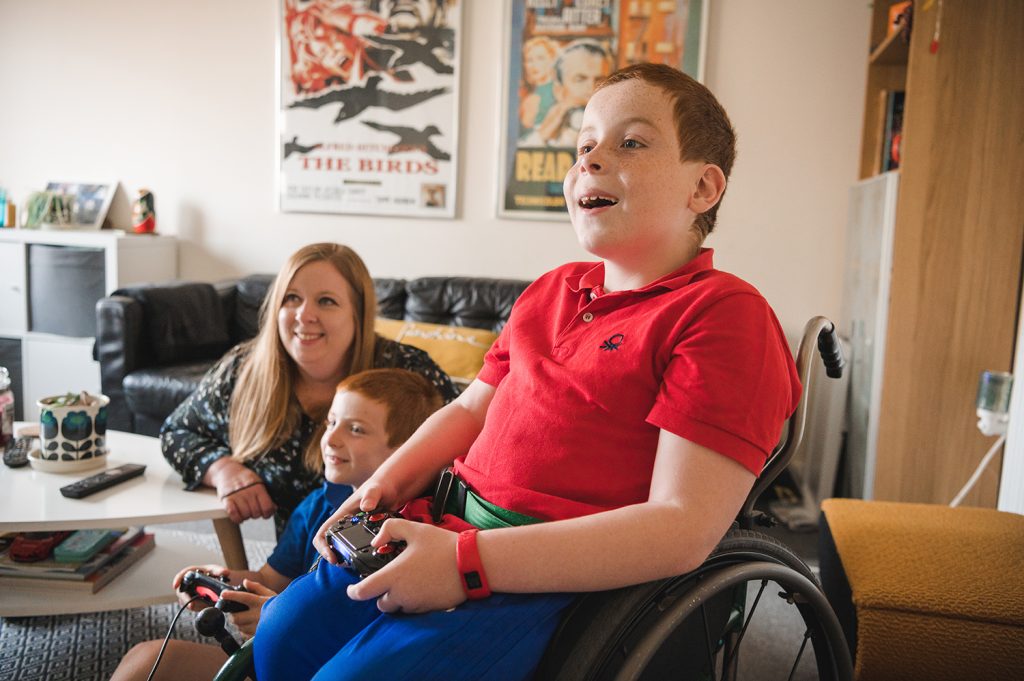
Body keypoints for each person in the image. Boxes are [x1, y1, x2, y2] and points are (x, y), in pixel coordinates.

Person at [253, 63, 802, 681]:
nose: (591, 160)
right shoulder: (550, 291)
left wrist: (467, 562)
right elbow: (468, 411)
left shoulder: (724, 315)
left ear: (703, 188)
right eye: (584, 144)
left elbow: (682, 526)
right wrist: (382, 484)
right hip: (444, 523)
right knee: (281, 635)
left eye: (632, 142)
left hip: (550, 578)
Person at [111, 368, 444, 681]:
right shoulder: (318, 505)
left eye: (355, 429)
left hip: (329, 665)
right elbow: (270, 579)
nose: (330, 439)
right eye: (331, 422)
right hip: (271, 652)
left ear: (407, 450)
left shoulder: (408, 533)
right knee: (147, 658)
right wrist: (227, 583)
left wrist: (276, 619)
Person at [161, 243, 457, 538]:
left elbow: (464, 456)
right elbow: (176, 431)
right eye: (291, 298)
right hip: (290, 559)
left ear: (358, 313)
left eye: (326, 301)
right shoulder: (243, 369)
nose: (304, 315)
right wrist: (223, 470)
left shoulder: (409, 370)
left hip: (385, 556)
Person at [521, 39, 612, 147]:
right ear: (559, 90)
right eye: (580, 79)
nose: (591, 88)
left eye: (600, 80)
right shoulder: (545, 131)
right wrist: (542, 137)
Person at [517, 36, 559, 135]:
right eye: (529, 60)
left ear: (552, 60)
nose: (534, 65)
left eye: (540, 58)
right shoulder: (524, 94)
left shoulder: (560, 91)